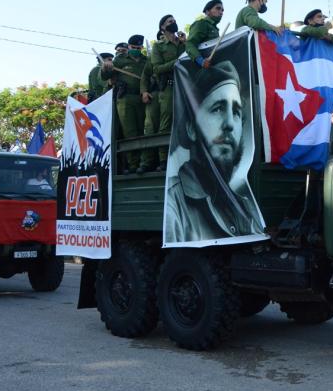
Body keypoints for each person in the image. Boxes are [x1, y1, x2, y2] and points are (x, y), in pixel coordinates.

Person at [165, 61, 263, 243]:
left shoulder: (246, 208)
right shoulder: (173, 206)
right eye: (218, 109)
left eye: (236, 112)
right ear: (191, 128)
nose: (229, 124)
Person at [101, 35, 153, 174]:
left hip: (142, 97)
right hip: (125, 99)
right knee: (129, 131)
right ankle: (132, 164)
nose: (136, 50)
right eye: (133, 47)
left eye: (138, 48)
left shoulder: (145, 60)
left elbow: (150, 75)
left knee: (144, 130)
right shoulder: (120, 60)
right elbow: (105, 76)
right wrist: (105, 68)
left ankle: (144, 162)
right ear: (129, 47)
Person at [149, 15, 187, 170]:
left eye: (174, 21)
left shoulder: (182, 43)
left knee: (185, 120)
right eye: (170, 22)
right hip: (168, 88)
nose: (174, 23)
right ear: (162, 28)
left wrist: (186, 44)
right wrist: (177, 61)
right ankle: (163, 160)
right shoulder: (158, 47)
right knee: (165, 123)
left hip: (184, 86)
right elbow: (156, 68)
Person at [185, 0, 224, 68]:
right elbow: (189, 44)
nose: (221, 12)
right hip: (203, 68)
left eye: (222, 10)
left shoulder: (215, 28)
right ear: (207, 11)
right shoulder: (201, 24)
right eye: (218, 8)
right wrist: (201, 61)